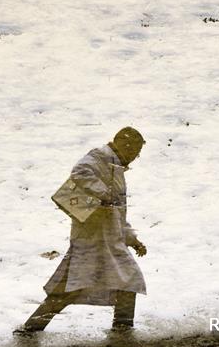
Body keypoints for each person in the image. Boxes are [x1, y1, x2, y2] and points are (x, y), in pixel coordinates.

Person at [16, 126, 148, 334]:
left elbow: (119, 213)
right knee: (66, 291)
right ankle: (30, 330)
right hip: (90, 239)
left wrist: (133, 240)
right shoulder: (99, 157)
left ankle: (122, 329)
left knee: (129, 281)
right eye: (133, 151)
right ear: (123, 145)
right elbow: (79, 172)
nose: (134, 157)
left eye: (137, 154)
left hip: (111, 242)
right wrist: (103, 193)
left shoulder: (117, 170)